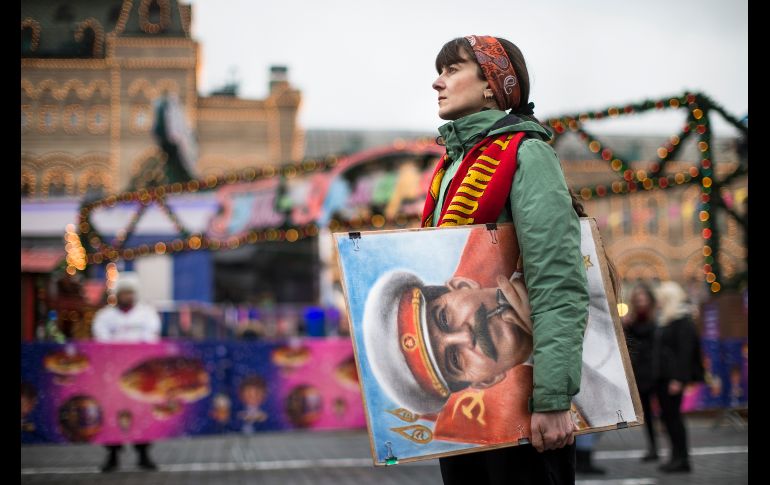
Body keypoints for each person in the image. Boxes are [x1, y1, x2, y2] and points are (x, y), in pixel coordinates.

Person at [424, 35, 590, 484]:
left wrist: (553, 399)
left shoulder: (526, 154)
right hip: (473, 418)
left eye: (451, 70)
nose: (437, 82)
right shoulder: (450, 168)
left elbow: (556, 280)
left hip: (530, 414)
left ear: (491, 87)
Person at [92, 272, 161, 473]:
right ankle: (112, 455)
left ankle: (143, 454)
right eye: (124, 293)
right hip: (113, 375)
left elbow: (151, 337)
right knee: (112, 413)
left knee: (142, 413)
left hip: (141, 377)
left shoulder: (147, 314)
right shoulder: (105, 316)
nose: (127, 296)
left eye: (130, 293)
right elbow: (101, 339)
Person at [652, 280, 698, 473]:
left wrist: (679, 379)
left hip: (673, 379)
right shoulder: (667, 319)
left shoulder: (683, 320)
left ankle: (682, 459)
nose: (658, 302)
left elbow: (685, 353)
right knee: (668, 418)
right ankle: (675, 457)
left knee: (674, 418)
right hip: (664, 378)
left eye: (661, 298)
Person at [622, 282, 659, 462]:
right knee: (647, 415)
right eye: (637, 299)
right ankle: (653, 448)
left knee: (667, 414)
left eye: (643, 298)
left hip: (658, 372)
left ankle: (673, 448)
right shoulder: (632, 322)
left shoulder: (657, 320)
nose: (640, 301)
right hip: (641, 374)